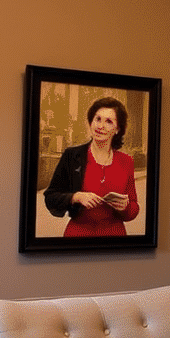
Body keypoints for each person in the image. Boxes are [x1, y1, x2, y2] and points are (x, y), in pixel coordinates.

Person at [43, 96, 139, 237]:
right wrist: (75, 197)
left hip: (115, 240)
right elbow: (50, 197)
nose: (100, 126)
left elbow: (134, 207)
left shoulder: (126, 161)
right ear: (91, 121)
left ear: (117, 129)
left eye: (108, 121)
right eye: (97, 119)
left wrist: (125, 208)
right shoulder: (72, 156)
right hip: (78, 236)